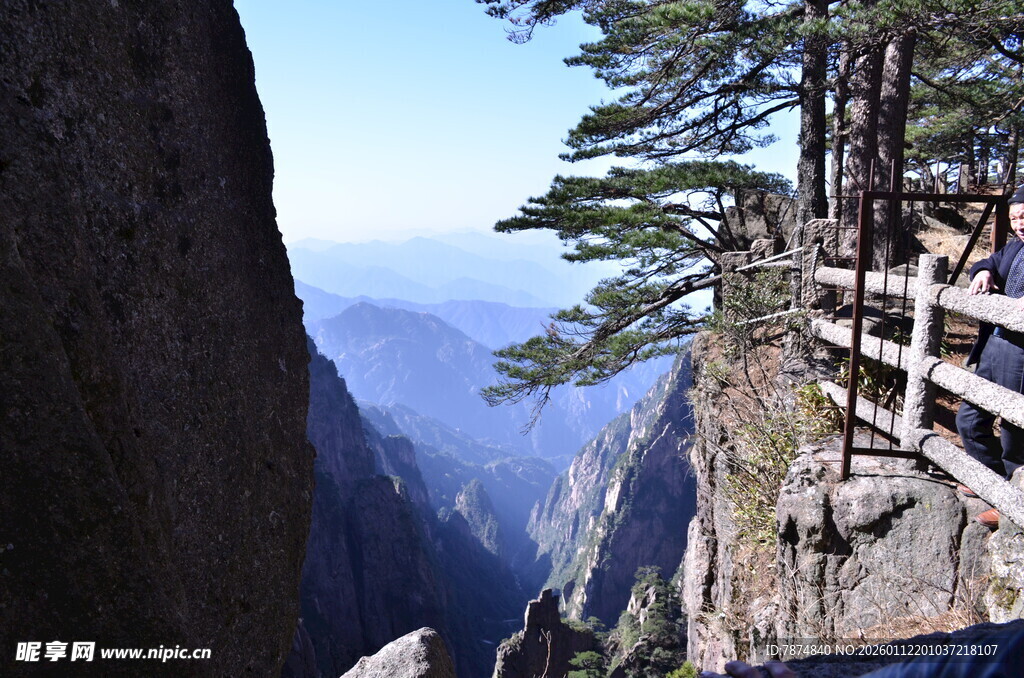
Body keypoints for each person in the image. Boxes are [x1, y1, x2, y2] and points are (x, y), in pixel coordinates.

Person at [954, 184, 1024, 528]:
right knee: (968, 418)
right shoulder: (1014, 248)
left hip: (1022, 352)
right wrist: (981, 271)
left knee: (1015, 428)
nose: (1020, 223)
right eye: (1014, 217)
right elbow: (987, 261)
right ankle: (989, 478)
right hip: (994, 344)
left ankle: (1013, 500)